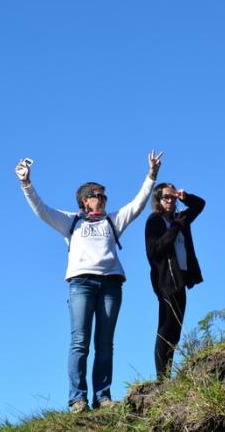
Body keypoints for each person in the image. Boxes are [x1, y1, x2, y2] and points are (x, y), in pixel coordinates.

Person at [15, 151, 163, 413]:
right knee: (80, 342)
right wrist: (26, 184)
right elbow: (42, 210)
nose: (104, 199)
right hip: (81, 284)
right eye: (98, 195)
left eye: (105, 196)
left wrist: (151, 175)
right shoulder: (71, 222)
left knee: (105, 344)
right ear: (85, 200)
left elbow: (137, 204)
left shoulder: (113, 220)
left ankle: (103, 397)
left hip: (111, 285)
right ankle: (78, 399)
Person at [145, 183, 205, 379]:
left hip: (180, 278)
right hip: (165, 280)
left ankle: (167, 375)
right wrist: (175, 228)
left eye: (172, 197)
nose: (170, 201)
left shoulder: (180, 218)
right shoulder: (155, 221)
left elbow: (200, 205)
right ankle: (162, 379)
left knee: (176, 330)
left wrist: (185, 197)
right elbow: (155, 250)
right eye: (166, 197)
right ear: (158, 200)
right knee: (166, 327)